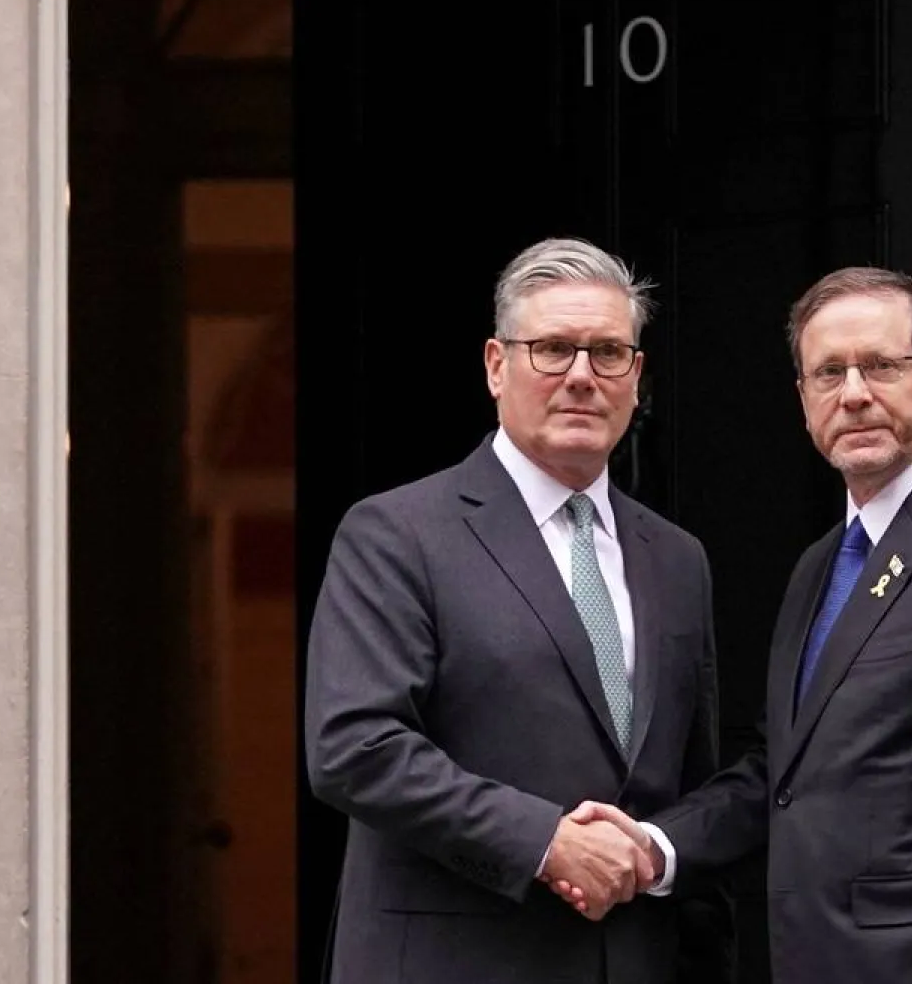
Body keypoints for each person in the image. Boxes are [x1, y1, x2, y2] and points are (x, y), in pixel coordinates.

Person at [556, 266, 912, 983]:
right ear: (804, 400)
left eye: (882, 366)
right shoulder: (819, 566)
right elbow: (784, 774)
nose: (854, 393)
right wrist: (654, 845)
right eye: (829, 372)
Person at [303, 236, 732, 984]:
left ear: (637, 377)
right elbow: (355, 746)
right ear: (497, 366)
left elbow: (692, 778)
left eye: (608, 352)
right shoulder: (399, 533)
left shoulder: (676, 557)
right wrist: (545, 841)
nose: (581, 377)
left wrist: (666, 869)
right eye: (553, 349)